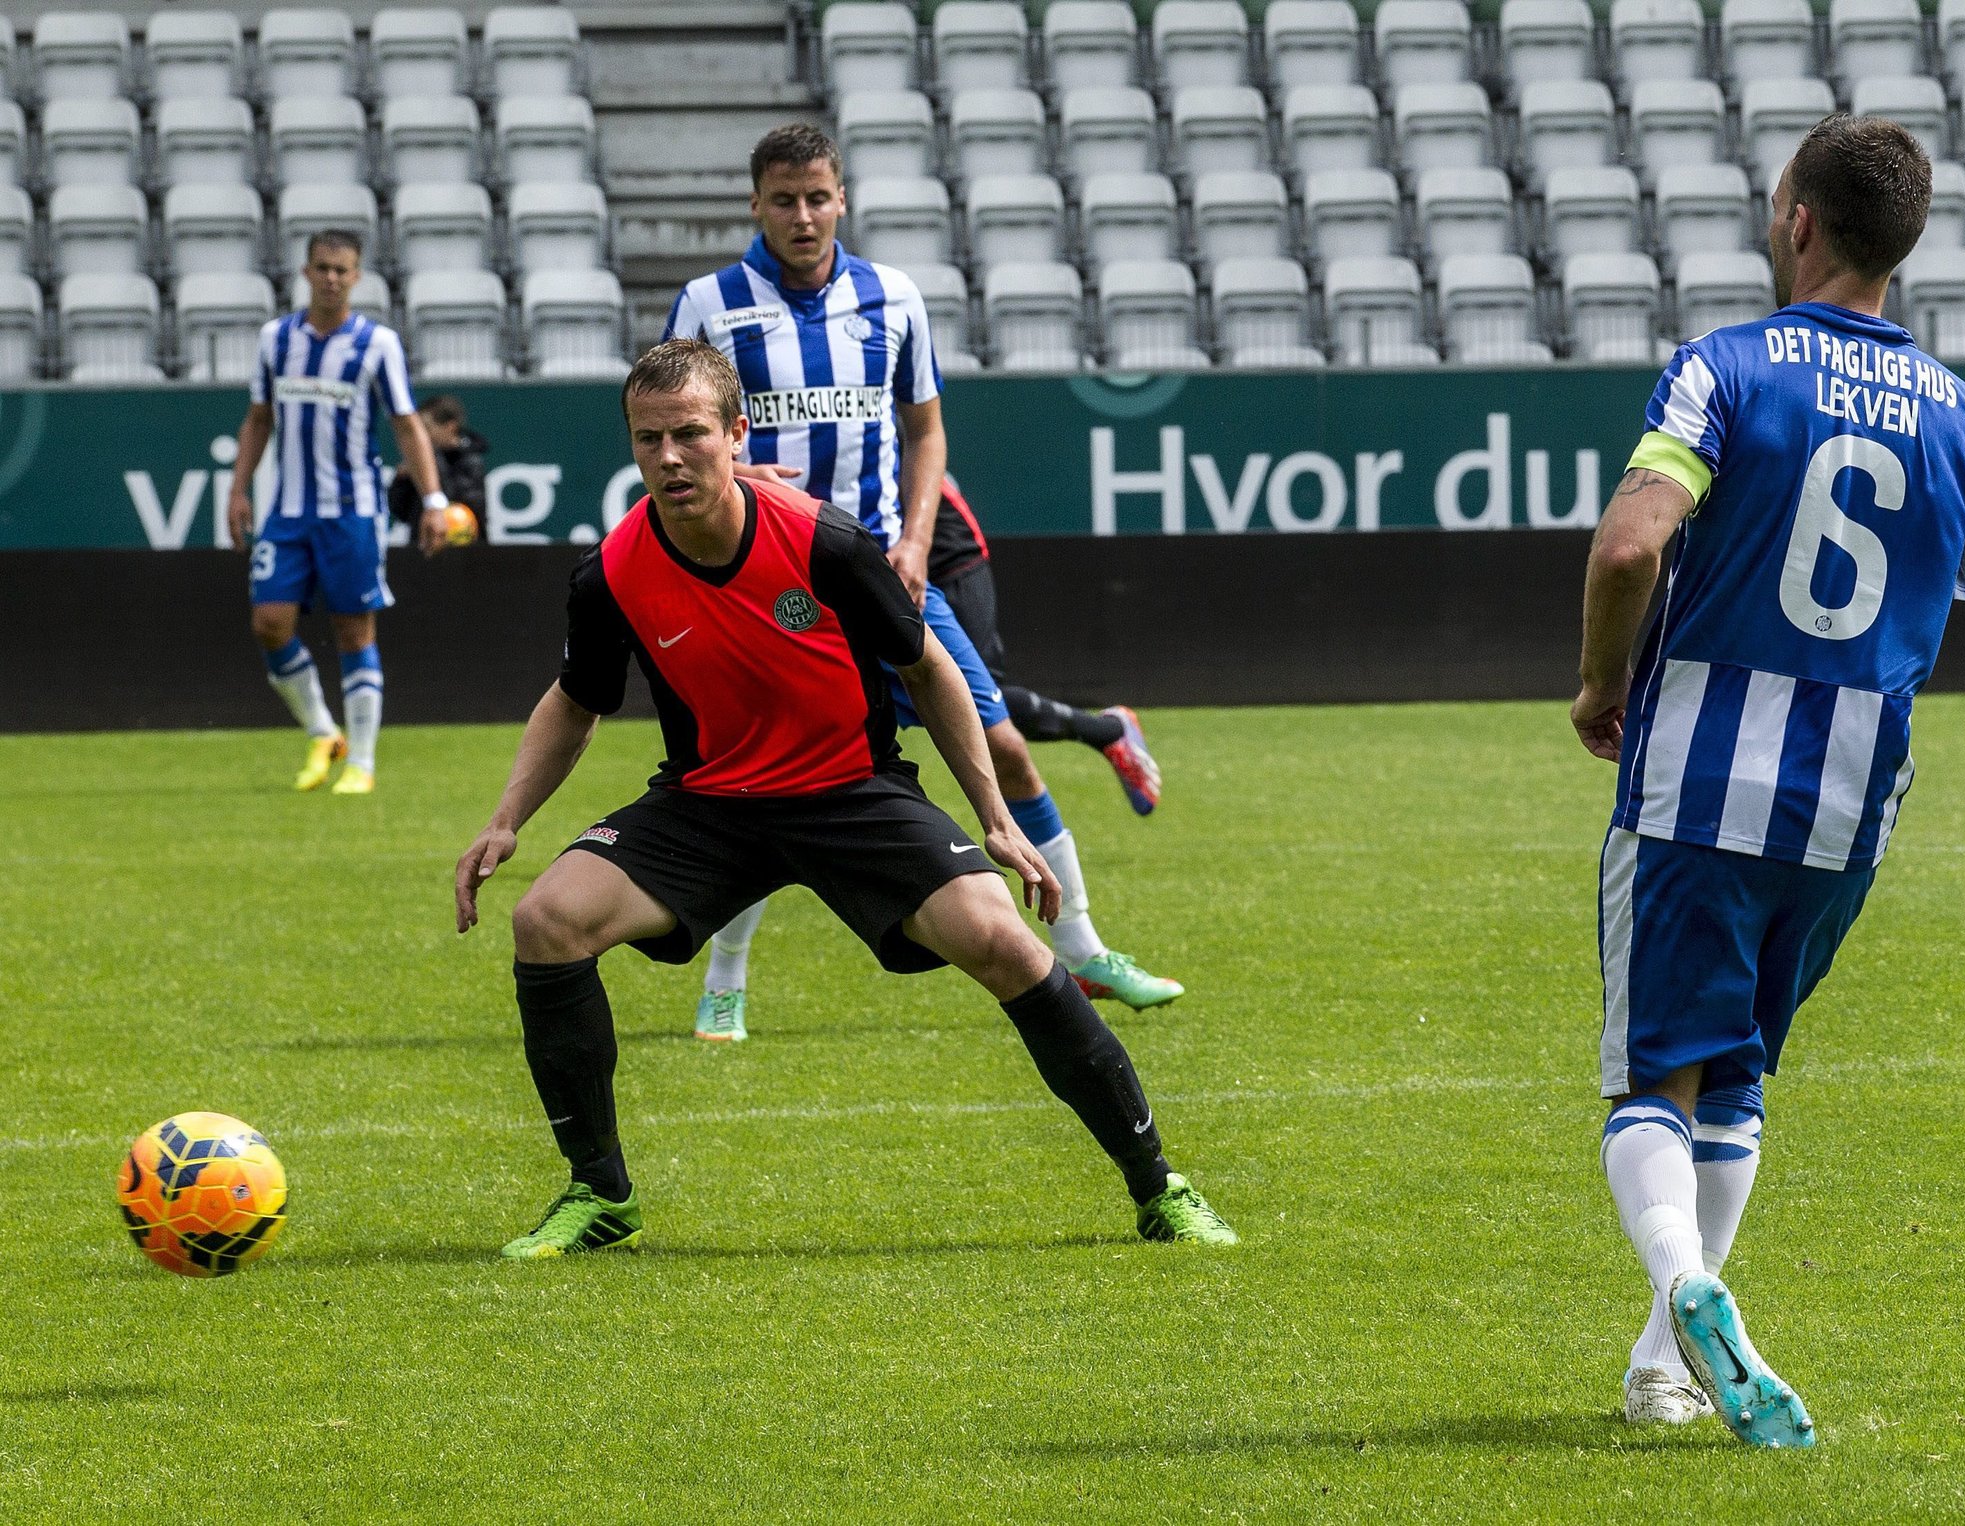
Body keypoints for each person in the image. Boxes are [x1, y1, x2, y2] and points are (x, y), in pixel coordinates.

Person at [452, 340, 1236, 1257]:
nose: (668, 457)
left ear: (737, 434)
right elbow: (577, 699)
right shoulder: (613, 571)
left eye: (690, 434)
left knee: (1002, 943)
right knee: (547, 921)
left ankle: (1160, 1189)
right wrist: (507, 819)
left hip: (851, 792)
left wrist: (993, 817)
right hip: (709, 803)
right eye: (648, 439)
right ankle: (600, 1196)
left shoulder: (823, 539)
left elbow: (928, 667)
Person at [1570, 115, 1965, 1446]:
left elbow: (1630, 549)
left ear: (1799, 221)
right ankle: (1663, 1368)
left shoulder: (1721, 370)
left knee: (1651, 1081)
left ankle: (1685, 1288)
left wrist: (1596, 682)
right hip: (1851, 806)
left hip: (1695, 782)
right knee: (1734, 1079)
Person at [664, 123, 1181, 1045]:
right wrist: (741, 482)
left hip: (883, 574)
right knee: (762, 784)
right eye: (783, 199)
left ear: (842, 199)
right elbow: (673, 430)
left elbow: (925, 431)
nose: (803, 215)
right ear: (756, 204)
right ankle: (727, 978)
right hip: (769, 585)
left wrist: (913, 537)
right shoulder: (708, 304)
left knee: (1007, 752)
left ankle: (1086, 948)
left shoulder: (892, 298)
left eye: (818, 196)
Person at [226, 229, 452, 795]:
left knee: (354, 629)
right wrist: (238, 489)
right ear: (305, 273)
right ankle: (324, 731)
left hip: (352, 511)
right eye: (322, 267)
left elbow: (406, 425)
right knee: (268, 623)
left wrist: (433, 500)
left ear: (356, 277)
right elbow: (258, 419)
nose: (331, 278)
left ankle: (363, 763)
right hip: (288, 511)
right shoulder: (275, 339)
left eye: (342, 269)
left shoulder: (377, 343)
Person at [929, 472, 1163, 816]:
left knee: (979, 699)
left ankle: (1109, 731)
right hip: (886, 565)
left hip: (948, 560)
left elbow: (923, 448)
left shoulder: (893, 426)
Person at [390, 394, 488, 535]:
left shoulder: (471, 460)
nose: (421, 436)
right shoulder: (416, 462)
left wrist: (433, 464)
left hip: (463, 550)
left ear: (450, 427)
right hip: (423, 545)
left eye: (427, 428)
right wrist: (401, 481)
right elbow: (401, 512)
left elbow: (465, 508)